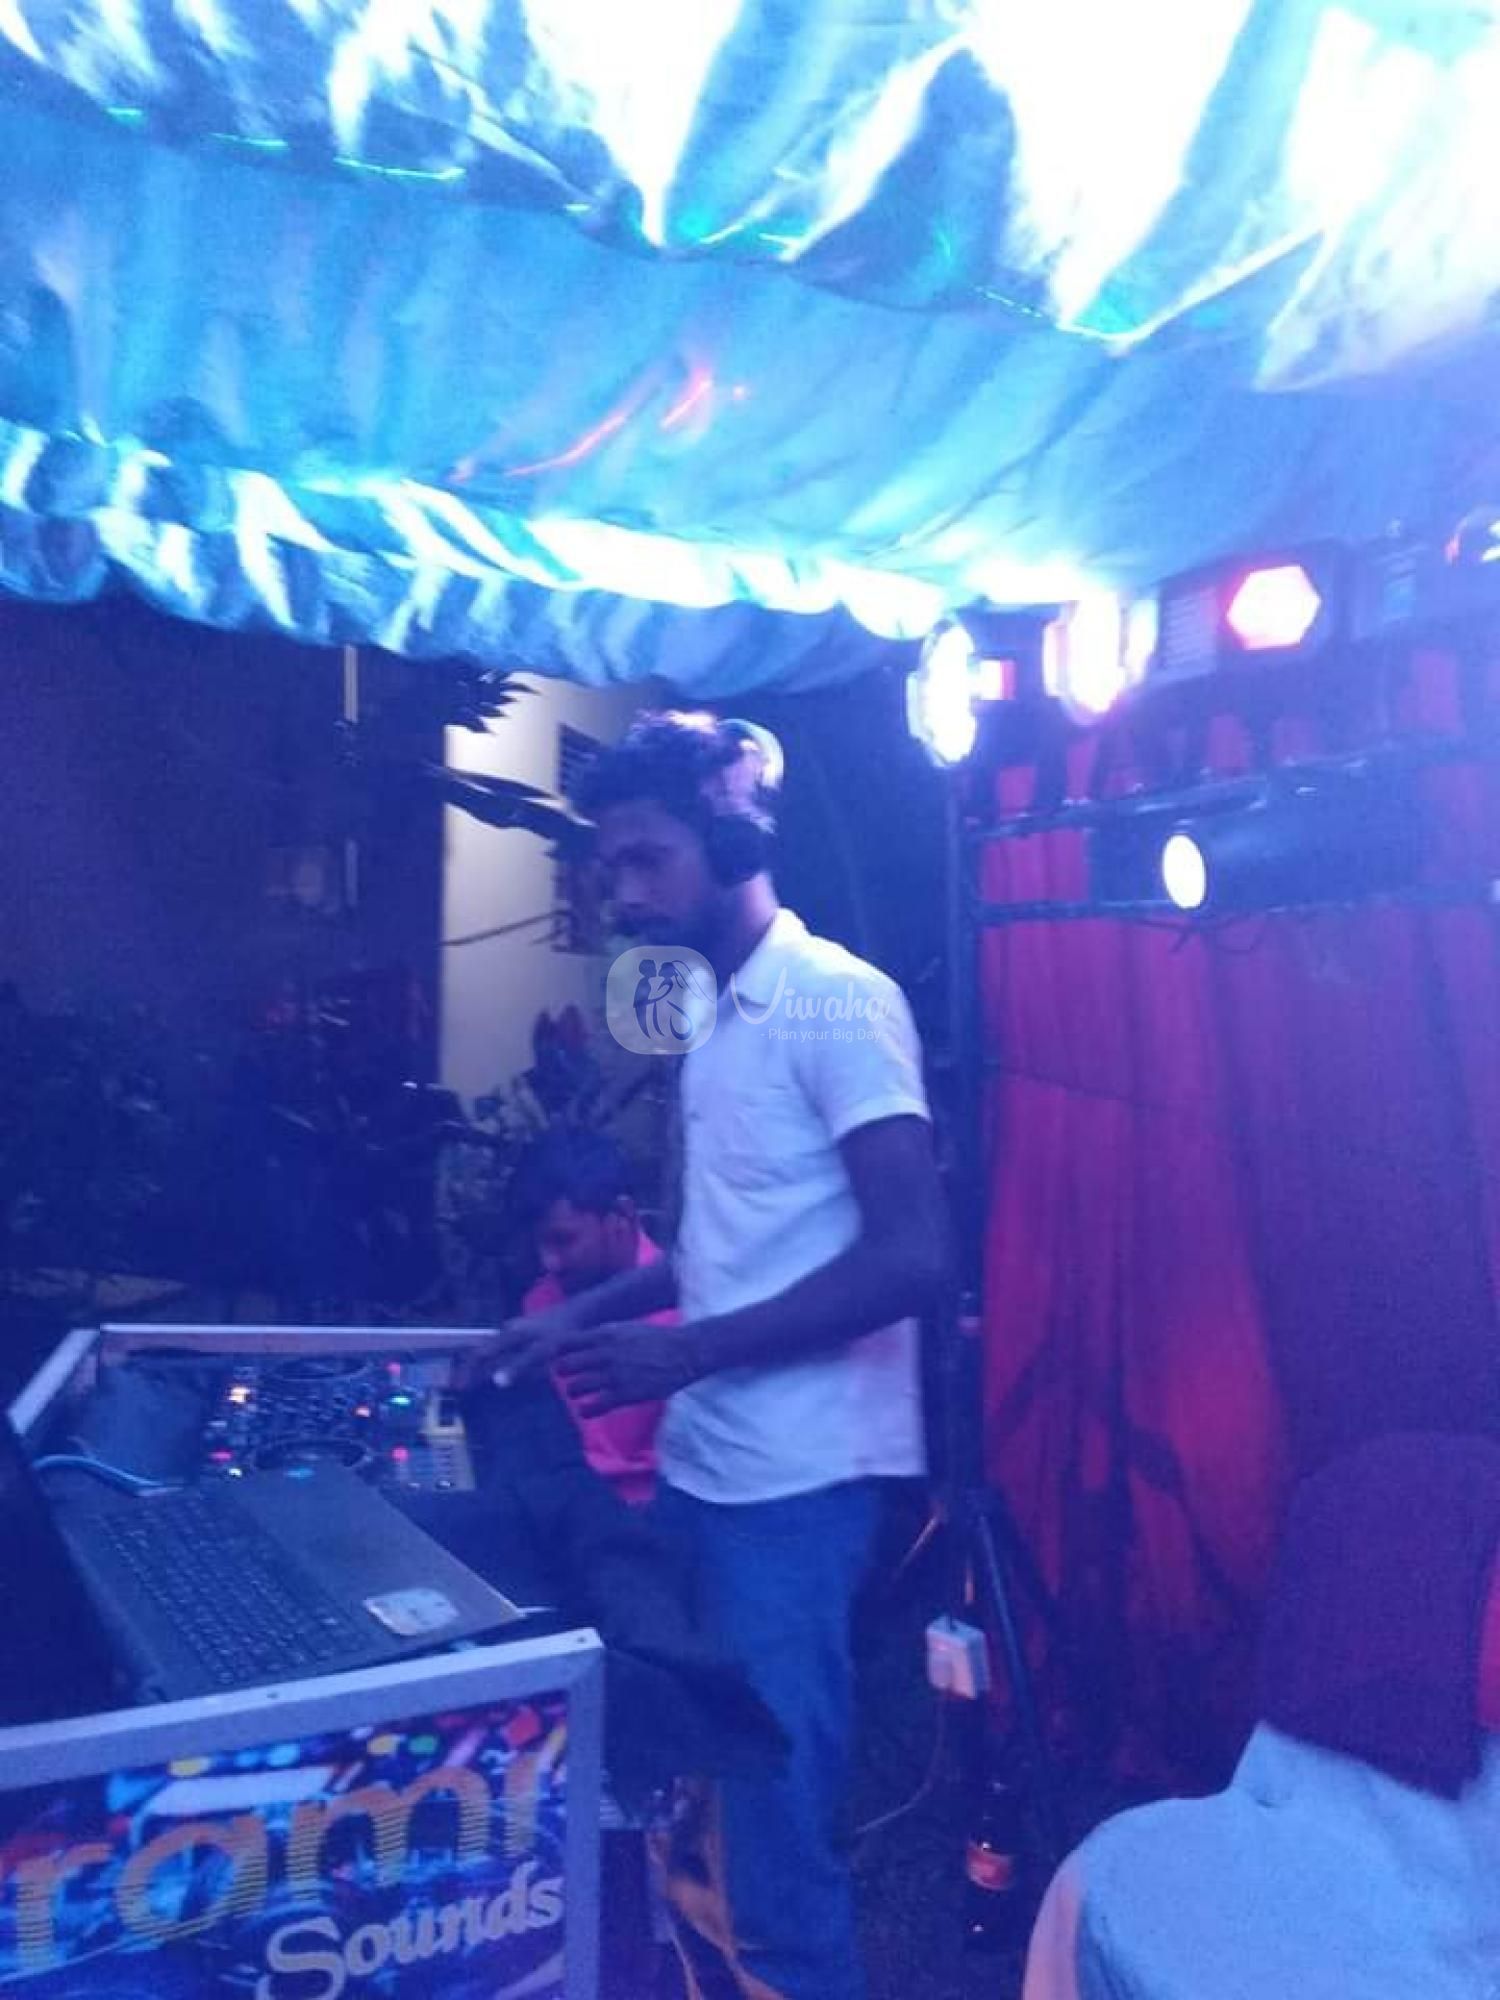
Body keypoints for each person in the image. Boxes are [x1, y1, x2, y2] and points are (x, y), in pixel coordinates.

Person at [473, 711, 950, 2000]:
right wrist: (572, 1314)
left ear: (732, 842)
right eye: (610, 867)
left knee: (774, 1861)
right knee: (686, 1834)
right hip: (703, 1477)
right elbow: (714, 1252)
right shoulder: (715, 1020)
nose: (625, 892)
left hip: (797, 1494)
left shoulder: (839, 999)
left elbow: (915, 1255)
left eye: (647, 858)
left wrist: (688, 1358)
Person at [511, 1127, 666, 1507]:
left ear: (622, 1216)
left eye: (564, 1240)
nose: (549, 1261)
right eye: (539, 1244)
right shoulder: (542, 1300)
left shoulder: (688, 1320)